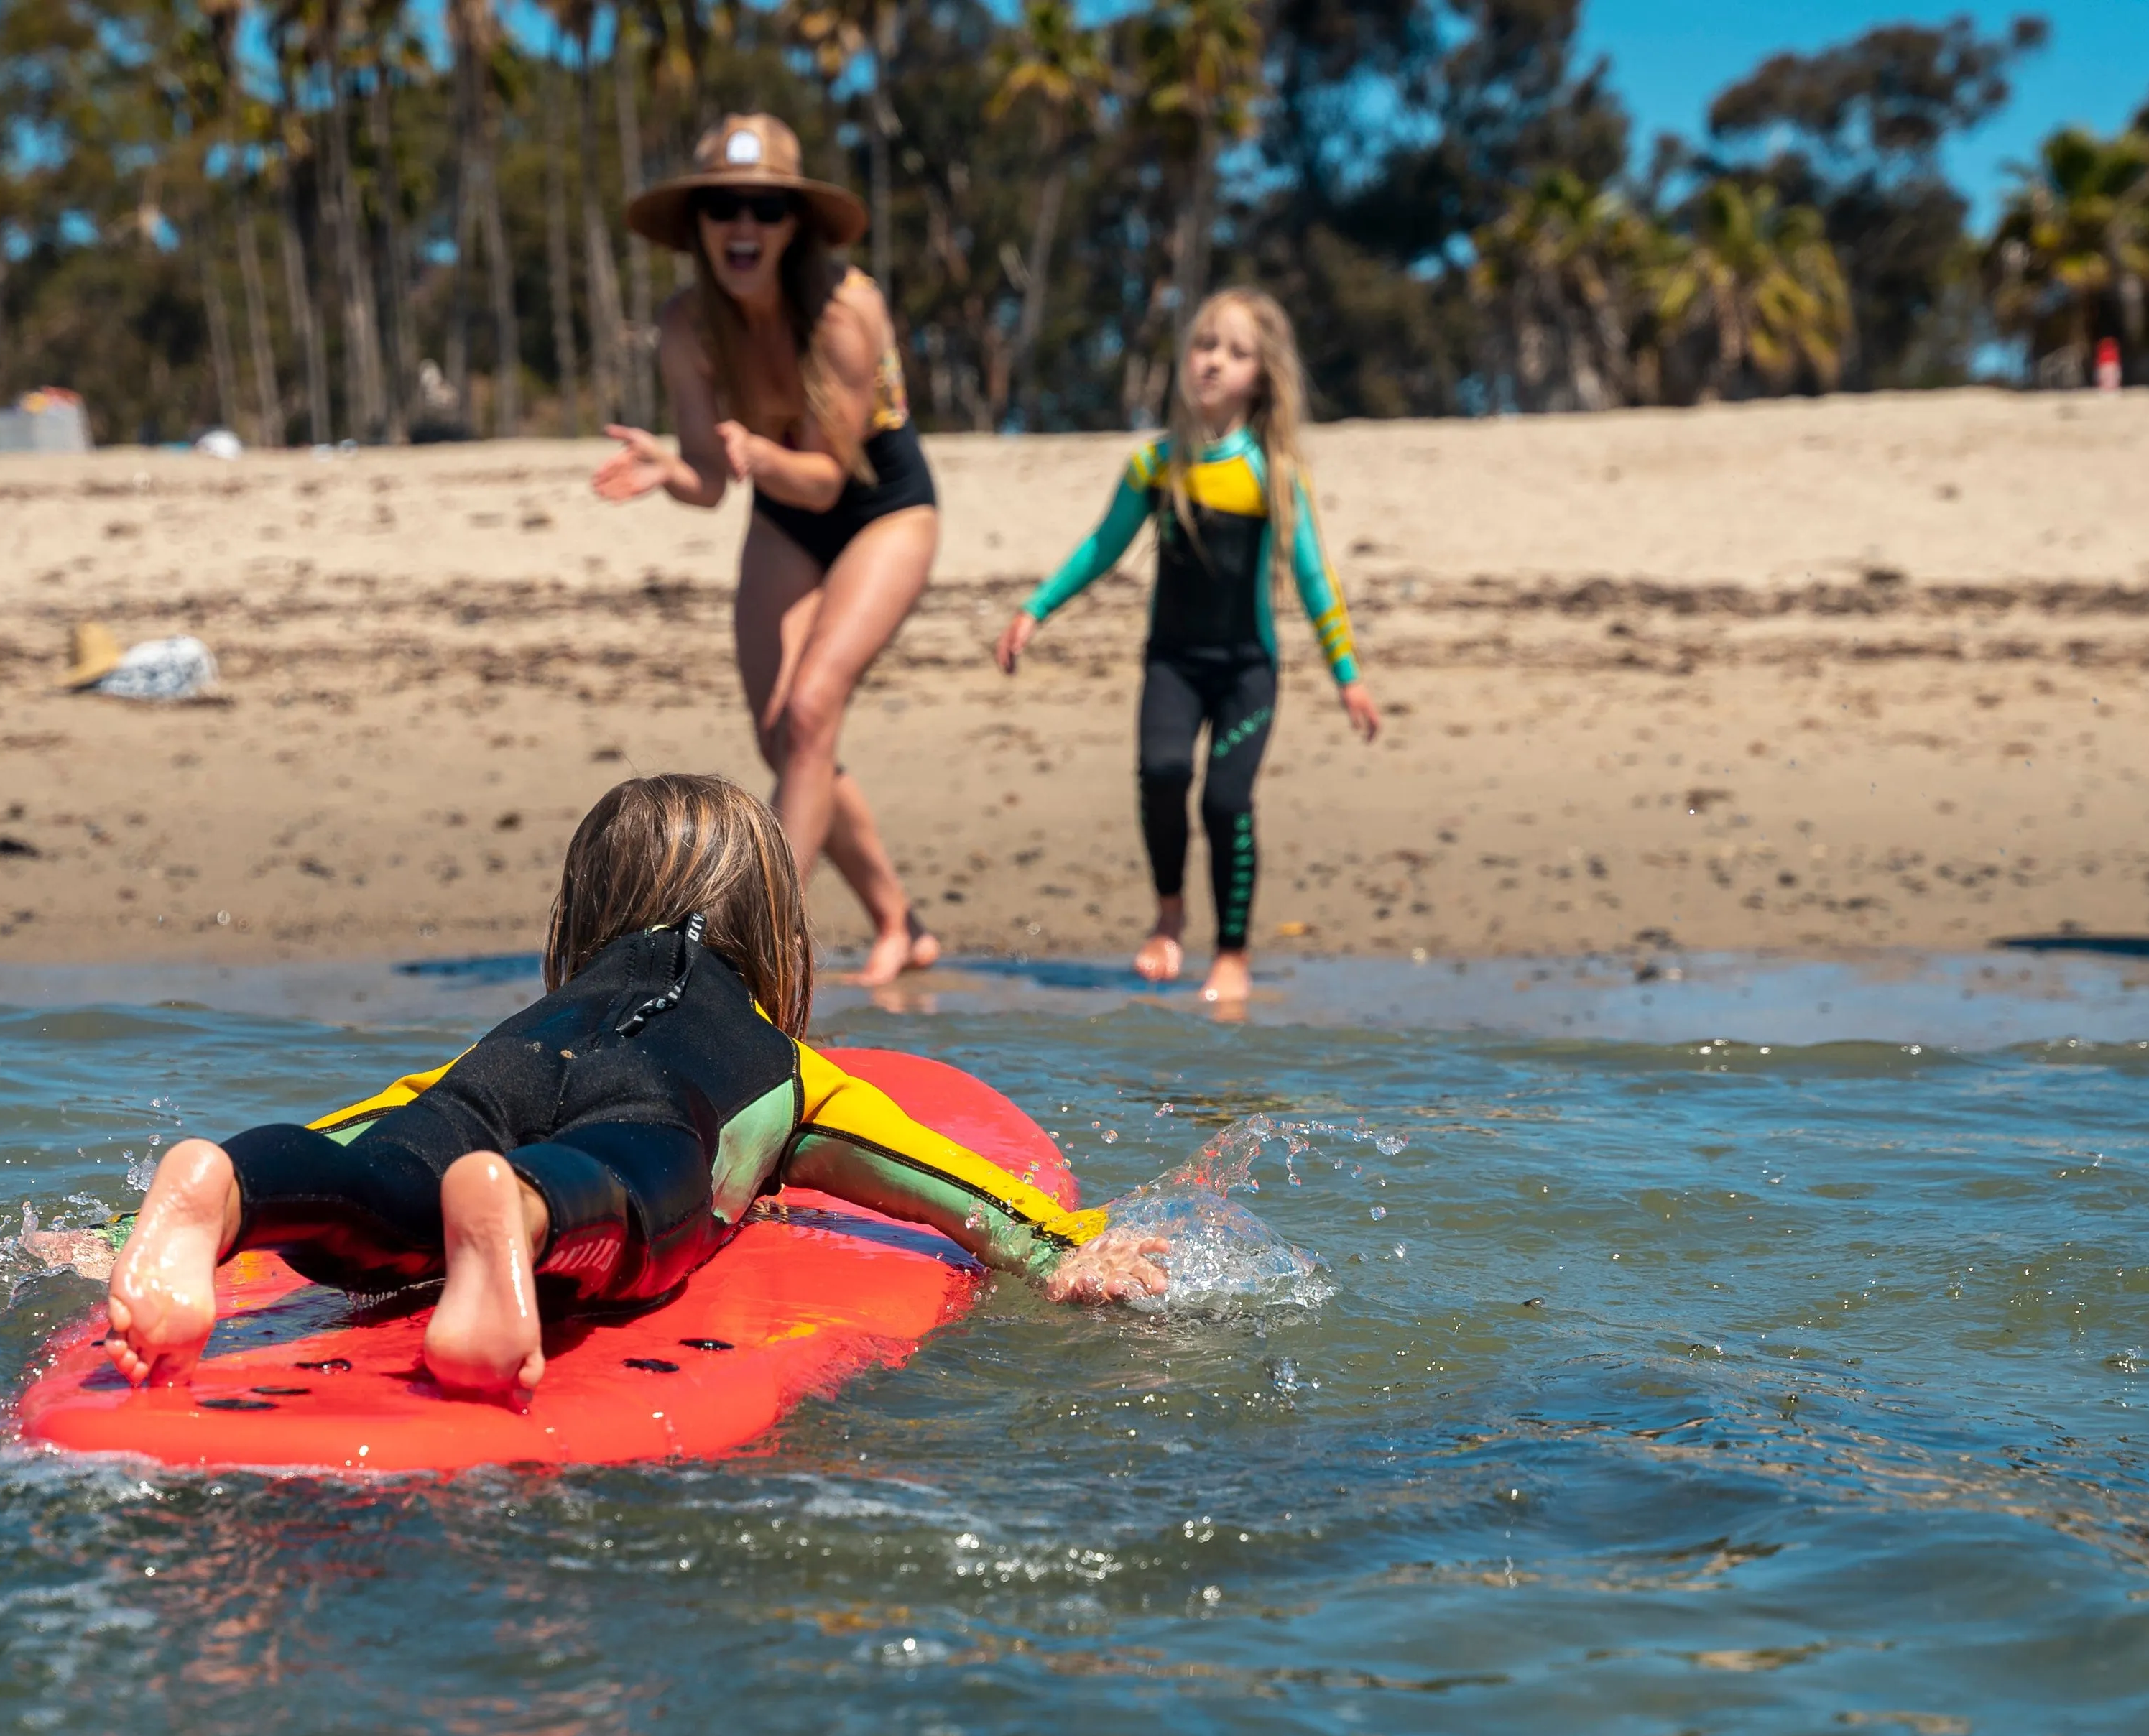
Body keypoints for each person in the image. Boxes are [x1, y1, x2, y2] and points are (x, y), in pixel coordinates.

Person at [82, 775, 1169, 1408]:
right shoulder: (788, 1069)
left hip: (490, 1079)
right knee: (634, 1185)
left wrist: (122, 1230)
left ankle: (222, 1193)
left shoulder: (542, 1017)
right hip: (648, 1111)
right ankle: (520, 1212)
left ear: (581, 917)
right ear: (779, 938)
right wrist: (1057, 1247)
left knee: (382, 1177)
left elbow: (366, 1117)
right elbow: (933, 1177)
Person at [592, 114, 941, 986]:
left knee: (813, 710)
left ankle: (764, 954)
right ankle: (901, 922)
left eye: (764, 207)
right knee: (786, 735)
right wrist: (675, 469)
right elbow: (716, 483)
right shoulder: (687, 325)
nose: (742, 225)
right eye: (721, 207)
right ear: (698, 225)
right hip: (784, 512)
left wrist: (752, 452)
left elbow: (826, 477)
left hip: (880, 504)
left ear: (796, 224)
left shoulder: (846, 308)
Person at [994, 288, 1384, 1007]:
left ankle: (1231, 953)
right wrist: (1035, 609)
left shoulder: (1273, 472)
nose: (1212, 361)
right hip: (1172, 662)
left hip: (1246, 671)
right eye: (1205, 344)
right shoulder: (1155, 466)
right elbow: (1102, 548)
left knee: (1228, 801)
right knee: (1163, 771)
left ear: (1261, 376)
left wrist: (1348, 676)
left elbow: (1312, 576)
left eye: (1235, 353)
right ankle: (1169, 910)